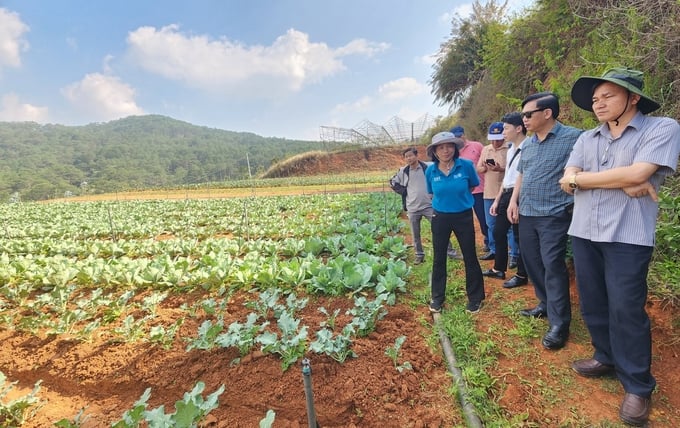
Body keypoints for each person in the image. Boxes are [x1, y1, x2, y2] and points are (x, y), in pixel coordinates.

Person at [559, 67, 680, 426]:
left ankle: (638, 386)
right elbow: (566, 181)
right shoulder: (586, 138)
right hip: (583, 231)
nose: (598, 104)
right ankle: (605, 356)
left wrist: (589, 179)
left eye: (608, 96)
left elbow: (637, 175)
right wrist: (619, 180)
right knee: (593, 301)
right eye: (595, 99)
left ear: (633, 97)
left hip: (628, 236)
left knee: (626, 309)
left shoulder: (662, 127)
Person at [506, 92, 582, 350]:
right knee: (533, 262)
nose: (524, 119)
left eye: (528, 114)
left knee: (553, 265)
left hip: (554, 214)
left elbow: (582, 170)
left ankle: (560, 323)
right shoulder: (528, 143)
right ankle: (544, 303)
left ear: (547, 113)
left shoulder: (573, 137)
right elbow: (522, 174)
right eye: (523, 114)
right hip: (527, 212)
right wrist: (514, 201)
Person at [425, 131, 485, 314]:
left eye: (449, 146)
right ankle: (437, 297)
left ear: (455, 148)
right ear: (434, 151)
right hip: (440, 217)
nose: (445, 151)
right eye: (441, 147)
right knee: (439, 257)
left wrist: (458, 199)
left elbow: (472, 186)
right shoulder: (430, 170)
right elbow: (431, 192)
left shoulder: (466, 166)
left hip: (463, 216)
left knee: (469, 255)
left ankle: (475, 298)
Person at [390, 147, 461, 265]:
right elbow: (392, 181)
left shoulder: (428, 167)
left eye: (411, 155)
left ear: (416, 155)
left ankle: (450, 252)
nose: (409, 158)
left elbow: (441, 174)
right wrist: (403, 191)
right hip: (413, 207)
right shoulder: (403, 171)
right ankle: (419, 255)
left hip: (429, 205)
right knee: (415, 233)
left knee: (440, 230)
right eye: (406, 156)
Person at [488, 113, 529, 288]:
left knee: (520, 236)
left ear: (518, 128)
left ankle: (521, 274)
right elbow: (508, 177)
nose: (503, 132)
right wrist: (497, 200)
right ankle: (499, 268)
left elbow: (522, 177)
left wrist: (513, 200)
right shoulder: (512, 148)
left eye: (506, 128)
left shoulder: (529, 147)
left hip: (519, 194)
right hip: (507, 193)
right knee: (498, 231)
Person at [477, 121, 517, 279]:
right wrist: (486, 168)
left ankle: (514, 254)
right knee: (491, 224)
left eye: (498, 139)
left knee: (509, 227)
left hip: (507, 193)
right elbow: (478, 168)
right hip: (489, 192)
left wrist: (500, 169)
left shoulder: (510, 149)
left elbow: (514, 171)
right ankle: (494, 251)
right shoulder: (486, 149)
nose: (495, 142)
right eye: (492, 139)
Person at [451, 125, 490, 257]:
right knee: (470, 219)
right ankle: (477, 242)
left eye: (460, 135)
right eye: (456, 137)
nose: (459, 138)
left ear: (464, 135)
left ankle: (489, 241)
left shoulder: (477, 146)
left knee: (485, 217)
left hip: (481, 188)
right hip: (464, 192)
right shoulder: (452, 152)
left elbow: (486, 160)